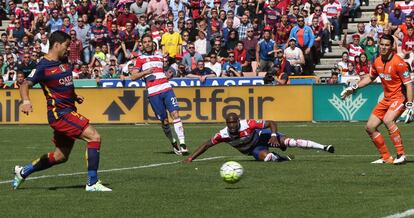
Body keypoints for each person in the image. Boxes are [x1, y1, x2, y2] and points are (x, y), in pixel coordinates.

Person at [13, 31, 111, 191]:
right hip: (60, 114)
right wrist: (26, 100)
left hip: (68, 110)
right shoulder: (43, 66)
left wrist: (74, 95)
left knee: (60, 156)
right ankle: (92, 183)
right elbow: (25, 84)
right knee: (94, 137)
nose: (68, 49)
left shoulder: (63, 61)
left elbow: (64, 85)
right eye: (66, 46)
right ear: (56, 45)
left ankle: (23, 172)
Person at [341, 35, 413, 165]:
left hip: (399, 98)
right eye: (382, 44)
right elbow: (370, 77)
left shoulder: (399, 63)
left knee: (388, 120)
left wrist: (409, 105)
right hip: (386, 99)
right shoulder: (377, 61)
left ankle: (401, 155)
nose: (384, 47)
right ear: (379, 45)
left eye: (387, 45)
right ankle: (386, 157)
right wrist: (354, 87)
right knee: (370, 127)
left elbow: (409, 84)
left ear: (392, 47)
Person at [184, 113, 335, 162]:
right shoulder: (223, 135)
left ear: (238, 121)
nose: (231, 125)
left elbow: (271, 122)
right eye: (228, 123)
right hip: (253, 149)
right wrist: (190, 158)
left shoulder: (248, 124)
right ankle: (283, 158)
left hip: (263, 137)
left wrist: (274, 136)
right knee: (268, 158)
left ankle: (324, 147)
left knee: (291, 141)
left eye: (233, 122)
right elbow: (206, 145)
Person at [130, 33, 188, 155]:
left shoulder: (160, 57)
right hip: (153, 92)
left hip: (166, 88)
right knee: (165, 121)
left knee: (175, 114)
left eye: (149, 41)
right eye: (145, 42)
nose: (147, 44)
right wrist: (146, 72)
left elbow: (165, 71)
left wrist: (169, 74)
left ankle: (182, 143)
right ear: (142, 44)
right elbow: (133, 76)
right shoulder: (140, 59)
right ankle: (173, 142)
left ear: (152, 42)